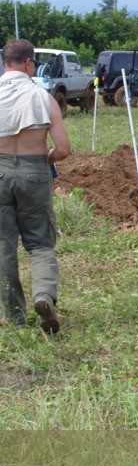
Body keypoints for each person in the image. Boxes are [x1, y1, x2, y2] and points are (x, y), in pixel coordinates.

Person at [0, 39, 71, 333]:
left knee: (3, 246)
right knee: (40, 243)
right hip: (33, 171)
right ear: (29, 63)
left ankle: (15, 318)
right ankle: (43, 295)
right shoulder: (43, 97)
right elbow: (64, 148)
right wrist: (47, 159)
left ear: (5, 63)